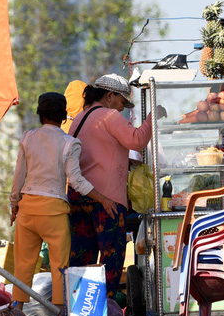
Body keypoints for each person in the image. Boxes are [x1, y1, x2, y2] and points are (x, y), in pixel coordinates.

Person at [9, 92, 111, 316]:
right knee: (59, 267)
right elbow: (76, 181)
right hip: (54, 212)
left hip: (27, 210)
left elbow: (18, 178)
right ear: (64, 116)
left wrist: (14, 204)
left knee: (23, 264)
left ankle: (17, 314)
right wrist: (103, 198)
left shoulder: (27, 138)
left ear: (40, 114)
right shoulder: (69, 143)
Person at [67, 73, 164, 298]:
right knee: (112, 256)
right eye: (122, 102)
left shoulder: (79, 119)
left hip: (79, 196)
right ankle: (107, 306)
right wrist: (152, 117)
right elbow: (137, 140)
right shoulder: (109, 116)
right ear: (110, 96)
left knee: (82, 256)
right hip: (106, 200)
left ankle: (79, 310)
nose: (122, 108)